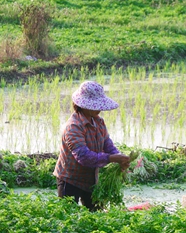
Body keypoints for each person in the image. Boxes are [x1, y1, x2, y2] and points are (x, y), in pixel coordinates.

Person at [54, 81, 130, 210]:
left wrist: (119, 157)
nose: (99, 108)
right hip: (70, 179)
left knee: (96, 215)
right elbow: (83, 156)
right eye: (95, 105)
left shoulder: (99, 122)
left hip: (91, 179)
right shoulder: (73, 126)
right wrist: (112, 158)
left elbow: (107, 143)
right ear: (82, 105)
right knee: (67, 215)